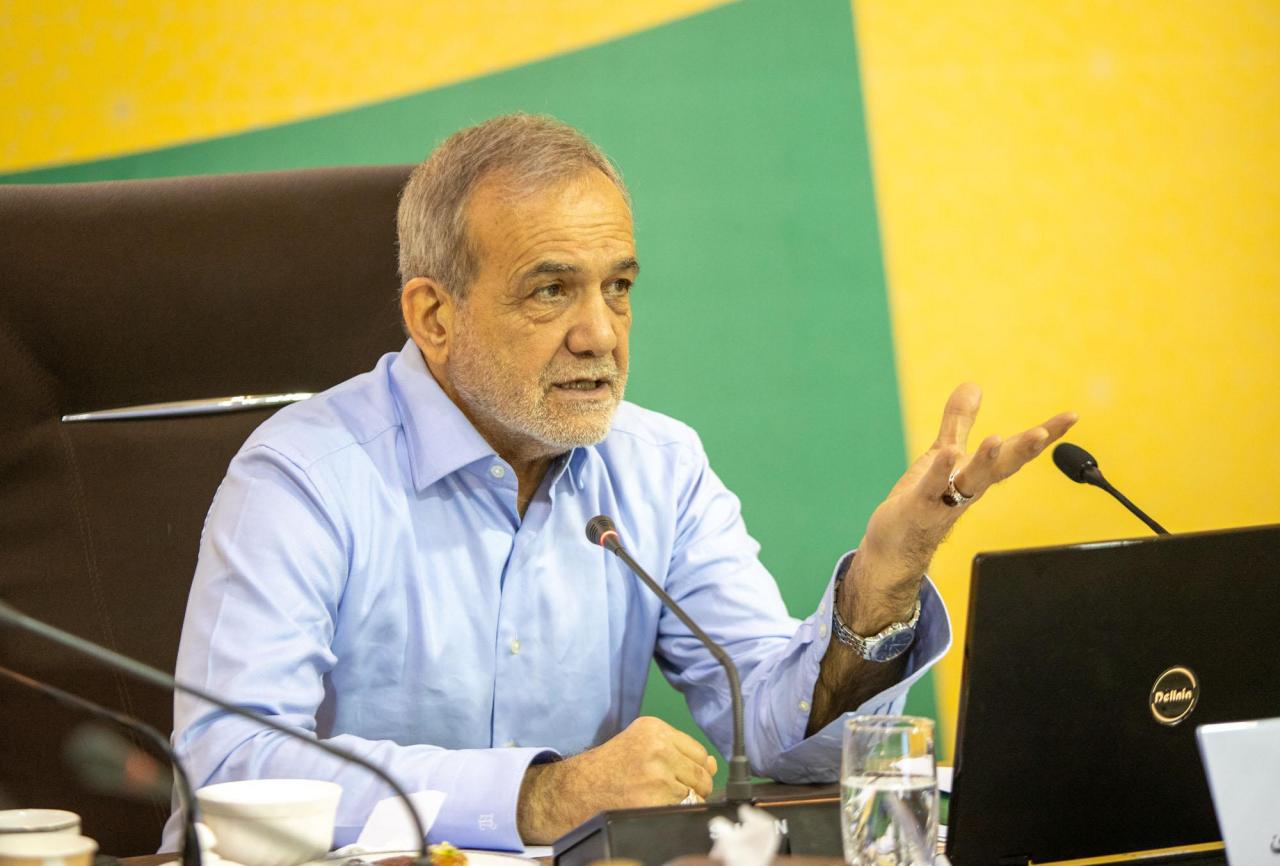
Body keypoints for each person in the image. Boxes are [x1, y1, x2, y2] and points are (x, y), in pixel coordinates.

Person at [164, 114, 1076, 851]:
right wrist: (535, 796)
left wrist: (883, 584)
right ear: (435, 316)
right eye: (551, 290)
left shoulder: (658, 468)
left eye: (619, 288)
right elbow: (228, 766)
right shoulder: (304, 477)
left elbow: (781, 740)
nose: (601, 334)